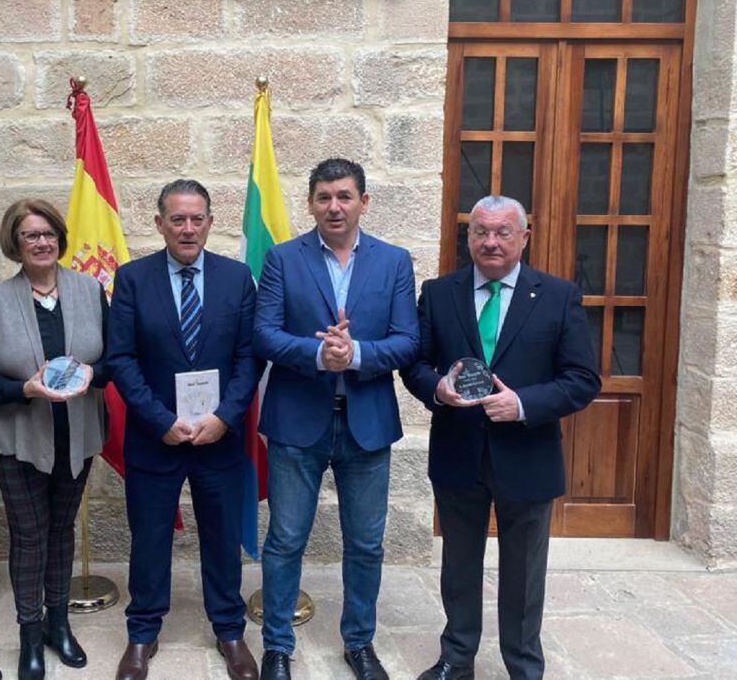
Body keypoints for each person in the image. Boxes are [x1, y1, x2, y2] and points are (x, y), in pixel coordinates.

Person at [402, 195, 601, 680]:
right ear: (468, 238)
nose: (490, 242)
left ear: (524, 237)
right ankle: (457, 657)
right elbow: (415, 364)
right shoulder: (439, 292)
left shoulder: (557, 296)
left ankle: (524, 665)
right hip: (458, 452)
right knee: (459, 565)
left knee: (524, 573)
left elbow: (582, 379)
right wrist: (438, 390)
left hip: (527, 455)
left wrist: (523, 404)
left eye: (503, 232)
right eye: (480, 232)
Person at [253, 158, 419, 680]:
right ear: (310, 203)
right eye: (323, 197)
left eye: (344, 196)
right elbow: (264, 333)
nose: (334, 207)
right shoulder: (283, 259)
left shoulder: (394, 261)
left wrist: (358, 355)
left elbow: (408, 341)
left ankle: (360, 644)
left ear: (363, 202)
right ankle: (277, 646)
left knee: (366, 543)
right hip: (297, 421)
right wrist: (317, 354)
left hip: (366, 423)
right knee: (285, 539)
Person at [107, 179, 263, 680]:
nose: (188, 228)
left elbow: (248, 357)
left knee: (221, 536)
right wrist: (161, 421)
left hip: (220, 436)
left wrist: (224, 418)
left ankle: (229, 630)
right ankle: (142, 634)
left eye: (197, 218)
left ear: (211, 222)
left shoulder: (238, 279)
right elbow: (122, 359)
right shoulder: (131, 279)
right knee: (149, 537)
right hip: (156, 437)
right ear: (159, 224)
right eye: (178, 219)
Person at [0, 198, 110, 680]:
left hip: (78, 432)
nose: (41, 242)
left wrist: (96, 371)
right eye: (30, 234)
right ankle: (29, 634)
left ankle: (59, 624)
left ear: (60, 239)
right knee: (30, 537)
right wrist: (23, 389)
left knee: (61, 530)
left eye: (48, 233)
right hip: (16, 437)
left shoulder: (91, 291)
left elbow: (114, 360)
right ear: (16, 242)